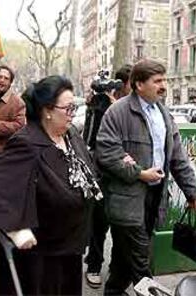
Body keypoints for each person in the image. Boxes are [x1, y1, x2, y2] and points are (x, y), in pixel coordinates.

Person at [0, 75, 102, 295]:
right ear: (47, 110)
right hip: (39, 260)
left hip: (70, 248)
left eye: (74, 107)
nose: (73, 114)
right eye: (68, 108)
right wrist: (16, 229)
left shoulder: (71, 134)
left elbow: (87, 172)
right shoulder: (27, 143)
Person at [96, 59, 196, 295]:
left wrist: (191, 191)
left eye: (164, 80)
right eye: (157, 81)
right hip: (127, 201)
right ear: (138, 84)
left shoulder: (163, 113)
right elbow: (106, 152)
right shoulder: (118, 112)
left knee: (124, 261)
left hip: (155, 199)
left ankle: (113, 292)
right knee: (141, 262)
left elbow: (178, 158)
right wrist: (139, 174)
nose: (163, 86)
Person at [84, 63, 133, 288]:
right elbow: (91, 140)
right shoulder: (101, 105)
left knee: (121, 228)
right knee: (99, 223)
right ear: (123, 84)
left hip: (126, 177)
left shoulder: (135, 109)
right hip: (103, 175)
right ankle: (94, 264)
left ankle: (116, 270)